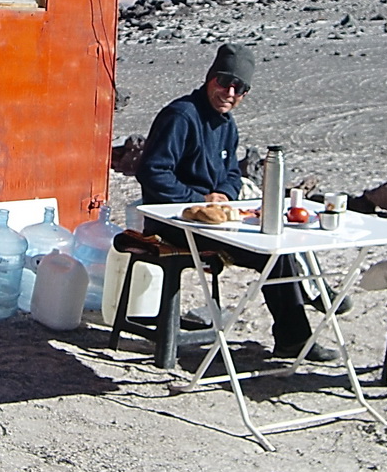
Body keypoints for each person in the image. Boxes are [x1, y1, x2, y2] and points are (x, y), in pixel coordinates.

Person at [135, 42, 339, 362]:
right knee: (271, 252)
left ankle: (294, 335)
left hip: (215, 219)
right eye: (224, 81)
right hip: (173, 222)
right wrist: (200, 199)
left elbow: (231, 173)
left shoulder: (227, 125)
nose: (230, 92)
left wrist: (225, 196)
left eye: (239, 87)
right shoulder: (181, 116)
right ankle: (298, 329)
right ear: (209, 77)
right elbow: (152, 173)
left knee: (276, 249)